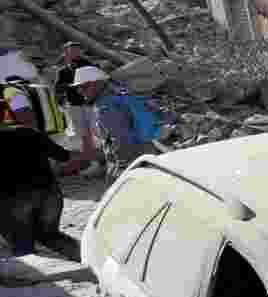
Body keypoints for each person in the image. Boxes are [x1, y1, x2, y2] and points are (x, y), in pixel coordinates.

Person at [1, 78, 81, 262]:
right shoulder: (31, 133)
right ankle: (87, 260)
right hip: (50, 195)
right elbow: (66, 157)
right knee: (51, 236)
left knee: (22, 243)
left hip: (13, 199)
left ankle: (32, 279)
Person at [72, 66, 159, 181]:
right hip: (145, 153)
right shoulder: (119, 96)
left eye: (84, 86)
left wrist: (121, 168)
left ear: (99, 84)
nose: (80, 91)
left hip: (132, 161)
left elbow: (121, 139)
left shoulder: (106, 106)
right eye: (79, 87)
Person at [54, 41, 101, 176]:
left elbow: (99, 82)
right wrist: (72, 86)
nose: (74, 53)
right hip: (74, 105)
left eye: (76, 50)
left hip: (92, 104)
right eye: (71, 51)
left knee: (98, 132)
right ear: (66, 53)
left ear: (80, 51)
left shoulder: (90, 65)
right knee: (84, 136)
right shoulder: (63, 70)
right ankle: (92, 164)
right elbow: (58, 88)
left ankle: (105, 161)